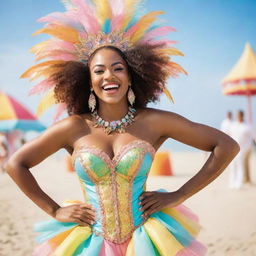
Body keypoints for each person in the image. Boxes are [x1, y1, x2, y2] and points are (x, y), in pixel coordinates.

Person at [6, 1, 239, 255]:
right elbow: (15, 164)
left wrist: (180, 194)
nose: (109, 76)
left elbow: (226, 145)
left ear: (131, 77)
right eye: (99, 71)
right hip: (91, 242)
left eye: (118, 68)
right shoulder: (73, 127)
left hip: (147, 241)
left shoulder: (154, 121)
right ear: (89, 81)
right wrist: (54, 210)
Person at [229, 110, 255, 188]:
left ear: (242, 116)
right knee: (233, 165)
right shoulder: (233, 125)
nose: (238, 117)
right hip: (234, 149)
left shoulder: (247, 126)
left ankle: (239, 183)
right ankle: (232, 182)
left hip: (244, 149)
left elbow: (254, 137)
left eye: (239, 115)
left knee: (240, 166)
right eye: (237, 115)